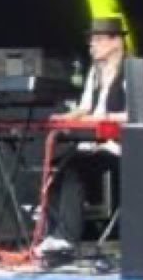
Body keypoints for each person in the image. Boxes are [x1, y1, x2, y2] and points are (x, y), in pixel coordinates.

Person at [41, 16, 128, 254]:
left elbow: (136, 113)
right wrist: (66, 118)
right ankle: (53, 233)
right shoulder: (95, 73)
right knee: (56, 167)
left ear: (115, 42)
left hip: (118, 147)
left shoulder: (130, 71)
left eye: (98, 40)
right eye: (91, 40)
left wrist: (105, 118)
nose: (92, 45)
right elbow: (85, 108)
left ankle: (68, 237)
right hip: (94, 144)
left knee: (74, 170)